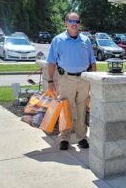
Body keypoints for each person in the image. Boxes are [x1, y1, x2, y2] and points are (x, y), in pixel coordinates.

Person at [47, 12, 96, 150]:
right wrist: (50, 81)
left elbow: (92, 61)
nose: (74, 23)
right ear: (66, 23)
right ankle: (64, 138)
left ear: (80, 23)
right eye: (71, 21)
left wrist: (94, 80)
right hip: (66, 79)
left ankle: (81, 137)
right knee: (65, 108)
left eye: (77, 21)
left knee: (81, 108)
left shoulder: (86, 40)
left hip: (84, 79)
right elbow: (51, 62)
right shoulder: (58, 40)